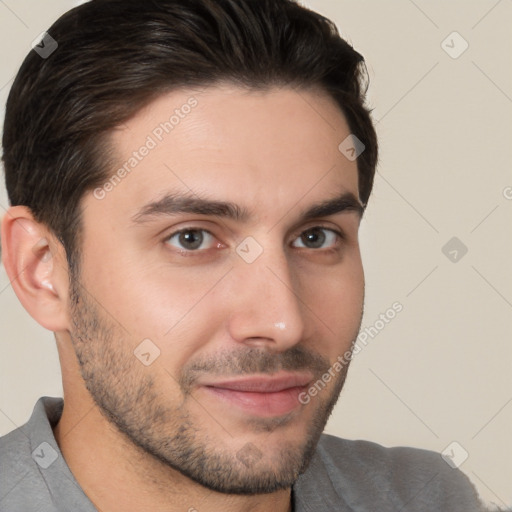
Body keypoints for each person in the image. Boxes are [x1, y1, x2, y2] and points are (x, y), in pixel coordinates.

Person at [0, 0, 484, 510]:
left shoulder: (424, 497)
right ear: (41, 270)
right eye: (192, 238)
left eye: (315, 236)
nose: (283, 323)